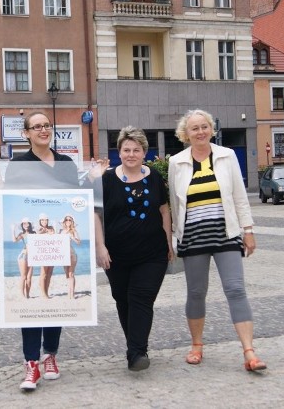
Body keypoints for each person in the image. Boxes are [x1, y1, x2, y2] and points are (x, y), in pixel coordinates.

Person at [0, 112, 80, 391]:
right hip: (33, 240)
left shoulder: (65, 163)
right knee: (32, 306)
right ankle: (30, 363)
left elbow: (76, 200)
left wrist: (94, 179)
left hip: (55, 239)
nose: (43, 130)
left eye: (46, 125)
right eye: (36, 127)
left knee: (49, 295)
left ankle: (50, 355)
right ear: (26, 133)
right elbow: (10, 199)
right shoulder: (20, 164)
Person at [168, 109, 267, 372]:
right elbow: (175, 205)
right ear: (185, 134)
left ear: (212, 129)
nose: (200, 132)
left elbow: (239, 196)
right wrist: (175, 239)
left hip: (226, 234)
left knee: (236, 289)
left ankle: (249, 352)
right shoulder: (176, 162)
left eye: (204, 127)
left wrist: (248, 230)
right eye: (194, 128)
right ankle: (197, 345)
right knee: (196, 292)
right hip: (193, 237)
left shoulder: (227, 156)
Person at [94, 126, 173, 371]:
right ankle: (135, 347)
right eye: (126, 150)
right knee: (122, 300)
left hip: (152, 253)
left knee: (141, 298)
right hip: (116, 255)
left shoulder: (155, 177)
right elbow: (96, 214)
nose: (131, 154)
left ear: (144, 152)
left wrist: (169, 243)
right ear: (119, 152)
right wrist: (100, 246)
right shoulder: (105, 179)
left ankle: (137, 353)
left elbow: (164, 209)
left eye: (136, 150)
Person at [58, 214, 81, 299]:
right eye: (66, 219)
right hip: (63, 255)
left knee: (71, 274)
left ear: (72, 222)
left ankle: (72, 294)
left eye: (70, 220)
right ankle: (69, 292)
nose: (68, 221)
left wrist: (72, 237)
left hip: (71, 254)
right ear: (64, 221)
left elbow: (79, 242)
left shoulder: (74, 231)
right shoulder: (60, 231)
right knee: (67, 275)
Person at [13, 217, 35, 298]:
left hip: (31, 256)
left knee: (29, 278)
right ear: (22, 225)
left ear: (30, 224)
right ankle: (22, 295)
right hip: (23, 256)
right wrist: (13, 230)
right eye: (24, 223)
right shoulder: (22, 234)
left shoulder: (34, 233)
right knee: (23, 276)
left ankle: (28, 295)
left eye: (27, 223)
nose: (26, 225)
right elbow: (14, 240)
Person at [35, 213, 56, 299]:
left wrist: (50, 231)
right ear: (40, 221)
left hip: (51, 253)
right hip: (43, 254)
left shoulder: (51, 228)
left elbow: (54, 235)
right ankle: (43, 294)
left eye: (46, 220)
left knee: (49, 273)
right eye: (42, 220)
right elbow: (37, 235)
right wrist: (45, 231)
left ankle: (46, 292)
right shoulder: (39, 229)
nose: (44, 221)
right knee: (43, 274)